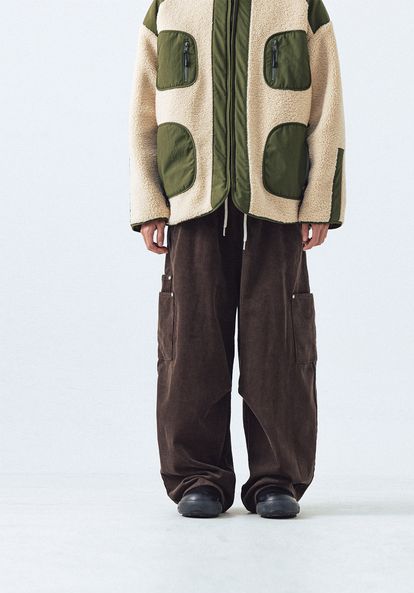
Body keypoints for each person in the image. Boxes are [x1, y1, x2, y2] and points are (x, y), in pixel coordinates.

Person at [129, 0, 346, 519]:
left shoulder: (299, 6)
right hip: (192, 201)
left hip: (276, 203)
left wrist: (319, 200)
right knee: (190, 346)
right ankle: (197, 477)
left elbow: (327, 106)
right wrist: (149, 202)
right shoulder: (170, 7)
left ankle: (277, 478)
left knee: (278, 346)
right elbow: (143, 112)